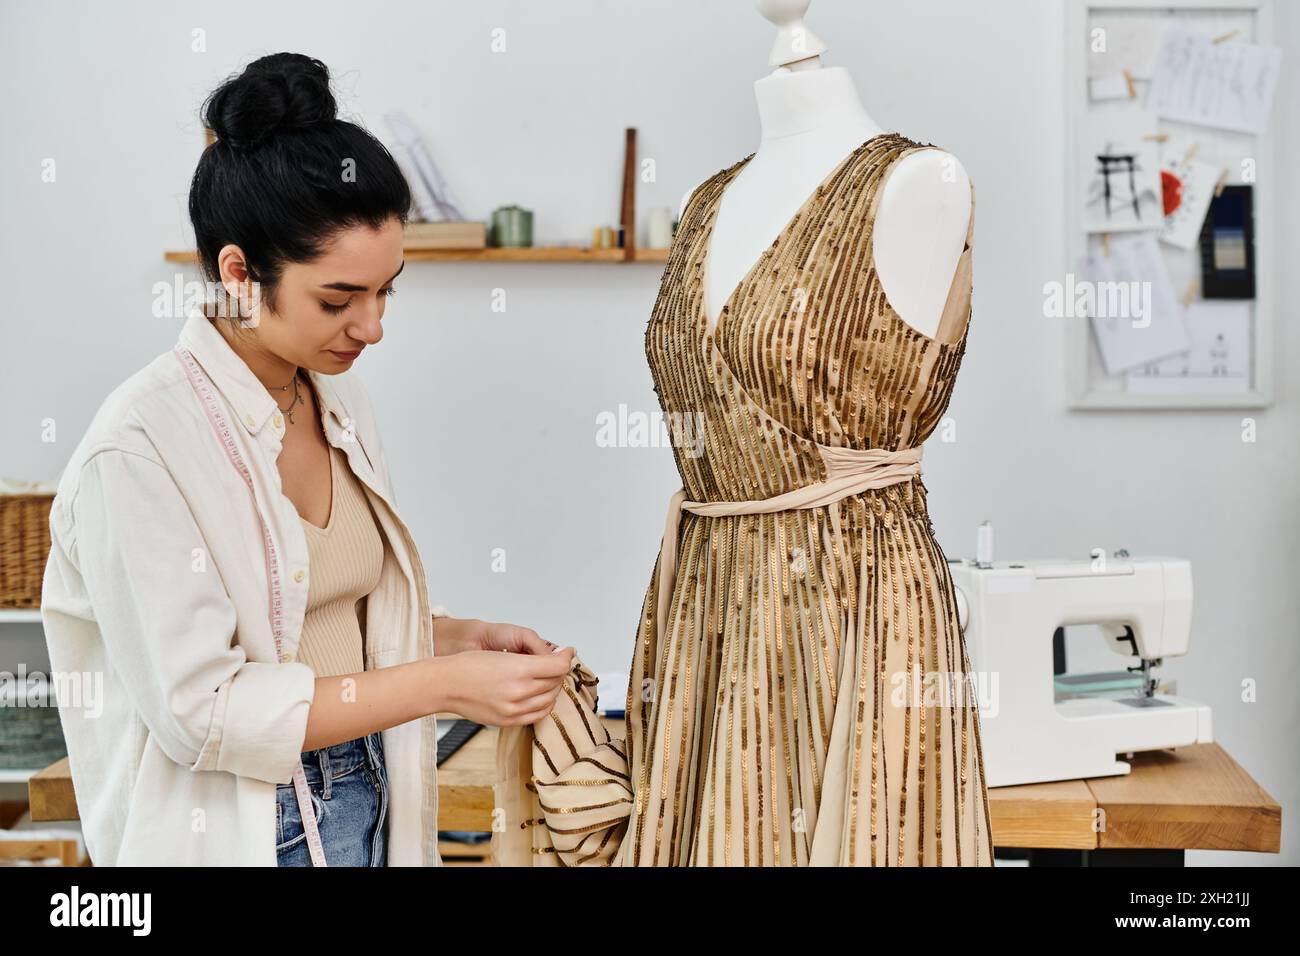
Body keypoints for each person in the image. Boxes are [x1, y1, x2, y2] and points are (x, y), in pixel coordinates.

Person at [40, 52, 574, 866]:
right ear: (238, 274)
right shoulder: (138, 449)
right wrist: (444, 688)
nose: (373, 327)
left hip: (370, 788)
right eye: (339, 299)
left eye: (386, 289)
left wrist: (457, 640)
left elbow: (304, 624)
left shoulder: (336, 395)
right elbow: (206, 710)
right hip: (249, 828)